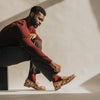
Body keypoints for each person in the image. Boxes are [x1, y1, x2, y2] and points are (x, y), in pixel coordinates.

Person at [0, 6, 76, 91]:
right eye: (39, 19)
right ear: (32, 14)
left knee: (37, 43)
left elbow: (39, 41)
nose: (40, 23)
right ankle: (55, 79)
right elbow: (30, 48)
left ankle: (32, 78)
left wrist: (35, 36)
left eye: (42, 21)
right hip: (1, 55)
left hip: (7, 52)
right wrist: (51, 62)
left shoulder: (31, 27)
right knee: (30, 51)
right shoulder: (20, 26)